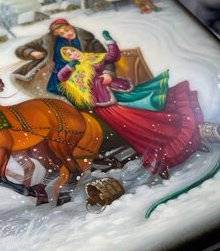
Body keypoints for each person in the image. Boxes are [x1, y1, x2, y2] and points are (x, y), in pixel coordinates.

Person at [56, 31, 204, 178]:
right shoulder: (75, 70)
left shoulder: (93, 57)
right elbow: (61, 77)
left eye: (72, 51)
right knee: (135, 129)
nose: (72, 54)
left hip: (119, 93)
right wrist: (70, 67)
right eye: (68, 54)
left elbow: (112, 57)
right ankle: (162, 160)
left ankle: (189, 140)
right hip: (105, 104)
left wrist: (110, 43)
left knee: (151, 116)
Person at [11, 18, 107, 97]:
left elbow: (104, 58)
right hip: (60, 73)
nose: (66, 34)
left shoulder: (89, 40)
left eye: (67, 30)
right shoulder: (49, 40)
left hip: (83, 72)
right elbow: (20, 50)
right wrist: (32, 52)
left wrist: (104, 71)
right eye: (61, 33)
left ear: (71, 26)